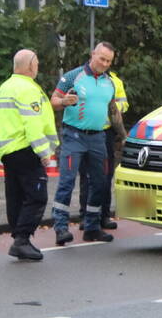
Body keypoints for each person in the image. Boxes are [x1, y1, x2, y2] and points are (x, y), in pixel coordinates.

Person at [0, 49, 58, 261]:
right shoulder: (28, 90)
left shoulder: (4, 88)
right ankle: (21, 240)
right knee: (37, 196)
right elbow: (33, 123)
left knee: (15, 195)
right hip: (26, 149)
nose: (37, 67)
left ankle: (19, 239)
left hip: (7, 151)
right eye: (36, 63)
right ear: (30, 66)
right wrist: (44, 151)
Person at [50, 42, 117, 245]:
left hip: (98, 138)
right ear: (92, 55)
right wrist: (63, 102)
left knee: (100, 182)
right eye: (102, 58)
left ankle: (92, 227)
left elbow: (113, 110)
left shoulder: (109, 83)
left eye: (109, 61)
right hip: (74, 136)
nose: (104, 64)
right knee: (67, 182)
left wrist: (124, 135)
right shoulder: (73, 77)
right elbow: (53, 100)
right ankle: (60, 228)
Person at [77, 70, 128, 229]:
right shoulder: (82, 77)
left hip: (106, 132)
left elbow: (124, 104)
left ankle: (104, 216)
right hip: (86, 130)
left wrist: (109, 104)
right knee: (86, 175)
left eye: (107, 60)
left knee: (105, 175)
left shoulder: (115, 81)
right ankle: (85, 216)